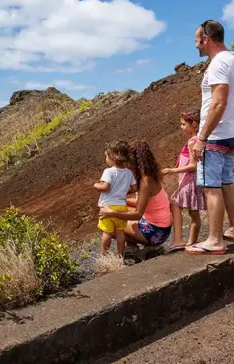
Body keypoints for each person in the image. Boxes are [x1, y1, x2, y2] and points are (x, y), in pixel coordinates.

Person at [186, 20, 234, 255]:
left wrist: (202, 137)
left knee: (211, 187)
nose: (196, 47)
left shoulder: (217, 64)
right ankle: (233, 228)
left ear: (206, 39)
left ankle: (215, 240)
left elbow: (219, 102)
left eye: (197, 41)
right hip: (231, 135)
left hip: (215, 135)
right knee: (226, 182)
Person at [99, 141, 172, 249]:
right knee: (120, 208)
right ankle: (133, 247)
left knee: (108, 222)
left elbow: (138, 214)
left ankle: (132, 248)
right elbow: (143, 204)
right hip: (161, 227)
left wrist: (112, 213)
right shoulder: (151, 174)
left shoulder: (146, 181)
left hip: (156, 232)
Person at [162, 109, 206, 253]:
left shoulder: (192, 142)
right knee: (194, 214)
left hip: (190, 181)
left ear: (193, 124)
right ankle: (190, 243)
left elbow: (193, 166)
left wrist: (171, 170)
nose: (181, 127)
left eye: (183, 124)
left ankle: (181, 241)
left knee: (176, 204)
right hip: (191, 181)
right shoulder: (198, 139)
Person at [94, 141, 137, 257]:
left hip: (107, 207)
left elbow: (105, 187)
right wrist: (123, 191)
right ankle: (120, 254)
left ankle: (104, 255)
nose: (106, 159)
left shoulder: (108, 172)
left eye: (106, 156)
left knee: (106, 232)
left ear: (112, 156)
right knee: (120, 232)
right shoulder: (128, 173)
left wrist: (96, 185)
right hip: (122, 207)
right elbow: (134, 188)